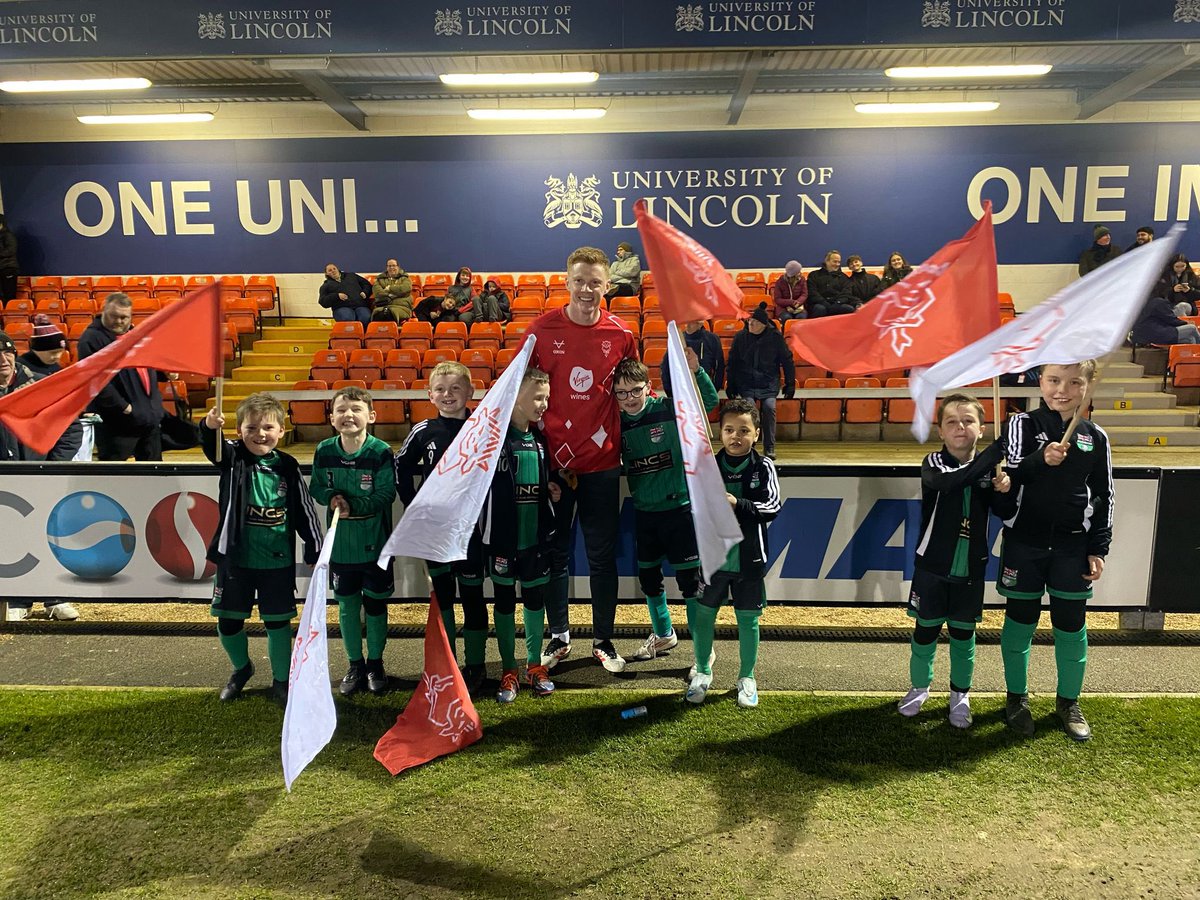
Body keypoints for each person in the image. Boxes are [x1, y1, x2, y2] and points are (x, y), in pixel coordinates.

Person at [527, 246, 639, 674]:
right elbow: (521, 392)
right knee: (556, 554)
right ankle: (558, 636)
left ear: (607, 285)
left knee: (600, 556)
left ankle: (603, 640)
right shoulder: (540, 330)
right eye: (580, 280)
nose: (587, 289)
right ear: (566, 281)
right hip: (554, 465)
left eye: (595, 281)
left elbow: (632, 392)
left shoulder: (621, 334)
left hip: (602, 464)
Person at [997, 361, 1112, 742]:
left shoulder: (1095, 437)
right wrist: (1038, 460)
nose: (1062, 389)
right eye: (1053, 380)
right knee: (1020, 622)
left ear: (1086, 386)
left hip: (1071, 548)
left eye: (1073, 382)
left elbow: (1104, 496)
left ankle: (1068, 702)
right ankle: (1016, 699)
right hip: (1023, 544)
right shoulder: (1021, 425)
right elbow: (1009, 477)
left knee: (1070, 626)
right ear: (1040, 382)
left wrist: (1098, 547)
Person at [897, 394, 1011, 729]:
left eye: (968, 421)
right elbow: (948, 482)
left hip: (971, 566)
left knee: (964, 635)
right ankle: (919, 687)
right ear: (941, 432)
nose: (960, 427)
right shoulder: (933, 463)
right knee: (925, 630)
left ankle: (960, 695)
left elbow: (1003, 513)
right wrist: (993, 454)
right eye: (952, 422)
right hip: (932, 565)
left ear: (981, 427)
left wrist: (1003, 487)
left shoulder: (991, 469)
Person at [200, 393, 322, 704]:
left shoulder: (287, 465)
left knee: (278, 623)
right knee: (228, 623)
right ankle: (242, 669)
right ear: (238, 431)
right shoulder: (232, 458)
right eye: (251, 428)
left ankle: (281, 681)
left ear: (282, 431)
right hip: (236, 560)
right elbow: (212, 449)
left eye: (268, 427)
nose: (260, 434)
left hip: (276, 561)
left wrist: (313, 545)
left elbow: (304, 509)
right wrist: (209, 426)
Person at [614, 355, 717, 662]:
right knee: (649, 579)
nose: (630, 398)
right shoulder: (616, 423)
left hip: (679, 511)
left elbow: (708, 402)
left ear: (649, 387)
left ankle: (704, 649)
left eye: (635, 390)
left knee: (690, 584)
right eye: (622, 393)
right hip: (645, 513)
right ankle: (664, 635)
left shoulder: (668, 410)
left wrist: (697, 371)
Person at [393, 361, 488, 694]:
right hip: (436, 532)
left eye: (456, 388)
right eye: (441, 390)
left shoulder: (483, 426)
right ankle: (445, 662)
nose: (448, 395)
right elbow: (400, 468)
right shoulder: (423, 431)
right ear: (429, 394)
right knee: (443, 597)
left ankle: (476, 665)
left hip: (472, 531)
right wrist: (415, 505)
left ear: (470, 391)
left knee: (474, 597)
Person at [686, 399, 780, 708]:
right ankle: (701, 672)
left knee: (748, 620)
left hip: (749, 558)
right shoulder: (707, 466)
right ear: (720, 433)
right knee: (703, 616)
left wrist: (736, 503)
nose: (735, 436)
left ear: (756, 434)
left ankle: (747, 677)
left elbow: (773, 507)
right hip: (713, 558)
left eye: (743, 430)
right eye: (729, 430)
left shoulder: (763, 466)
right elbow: (694, 509)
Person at [309, 386, 397, 696]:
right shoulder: (324, 450)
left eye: (356, 409)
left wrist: (352, 505)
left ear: (370, 416)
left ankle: (375, 663)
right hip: (341, 548)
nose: (348, 414)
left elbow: (387, 494)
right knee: (346, 607)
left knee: (375, 605)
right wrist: (331, 497)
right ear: (331, 417)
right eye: (342, 409)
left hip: (376, 546)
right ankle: (354, 664)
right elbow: (316, 487)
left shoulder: (381, 451)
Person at [480, 366, 560, 702]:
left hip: (535, 542)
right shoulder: (492, 439)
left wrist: (552, 491)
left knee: (533, 601)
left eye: (546, 398)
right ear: (515, 397)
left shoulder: (541, 442)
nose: (543, 404)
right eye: (537, 398)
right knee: (503, 602)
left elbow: (543, 486)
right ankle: (508, 669)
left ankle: (534, 665)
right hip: (501, 541)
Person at [1, 327, 82, 622]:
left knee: (49, 534)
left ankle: (55, 597)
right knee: (9, 537)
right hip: (4, 480)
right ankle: (17, 599)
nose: (3, 359)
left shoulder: (40, 385)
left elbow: (71, 428)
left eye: (8, 351)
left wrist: (52, 464)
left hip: (39, 476)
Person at [77, 293, 169, 462]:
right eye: (114, 316)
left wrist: (162, 375)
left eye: (124, 317)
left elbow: (146, 367)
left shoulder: (136, 335)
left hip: (148, 419)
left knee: (156, 475)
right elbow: (94, 380)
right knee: (114, 475)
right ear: (103, 311)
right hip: (116, 423)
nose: (119, 322)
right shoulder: (90, 339)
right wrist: (124, 407)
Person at [725, 302, 795, 461]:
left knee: (769, 408)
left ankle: (769, 447)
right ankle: (750, 445)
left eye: (754, 322)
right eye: (749, 321)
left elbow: (787, 360)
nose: (751, 323)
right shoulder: (741, 337)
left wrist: (790, 383)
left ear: (763, 324)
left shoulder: (775, 338)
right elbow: (733, 362)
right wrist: (731, 383)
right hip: (747, 383)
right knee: (750, 412)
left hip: (768, 382)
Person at [1130, 294, 1200, 346]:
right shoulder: (1158, 302)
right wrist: (1186, 323)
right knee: (1192, 328)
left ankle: (1192, 361)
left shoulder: (1146, 301)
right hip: (1154, 333)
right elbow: (1171, 319)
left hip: (1145, 333)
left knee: (1190, 339)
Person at [804, 250, 855, 317]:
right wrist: (824, 303)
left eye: (839, 262)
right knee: (820, 309)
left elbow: (846, 293)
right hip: (819, 304)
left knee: (849, 309)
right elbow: (812, 293)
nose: (837, 264)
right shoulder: (814, 275)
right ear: (827, 261)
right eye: (835, 261)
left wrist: (837, 303)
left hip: (837, 304)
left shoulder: (844, 277)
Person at [683, 319, 724, 390]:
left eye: (691, 322)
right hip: (683, 388)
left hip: (706, 388)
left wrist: (713, 389)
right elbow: (666, 366)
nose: (687, 325)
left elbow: (719, 366)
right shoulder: (679, 339)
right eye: (686, 322)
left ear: (700, 324)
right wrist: (670, 392)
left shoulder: (712, 339)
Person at [0, 214, 17, 304]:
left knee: (9, 296)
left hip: (8, 268)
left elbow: (11, 250)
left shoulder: (8, 235)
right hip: (2, 268)